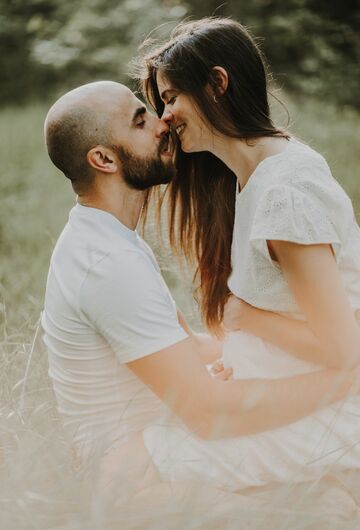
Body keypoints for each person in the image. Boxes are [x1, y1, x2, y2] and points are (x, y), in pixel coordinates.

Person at [42, 80, 359, 494]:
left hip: (158, 446)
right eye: (141, 122)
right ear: (103, 159)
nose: (162, 124)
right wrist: (342, 381)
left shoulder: (107, 237)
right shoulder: (108, 263)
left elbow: (188, 346)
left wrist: (248, 346)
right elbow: (208, 413)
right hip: (137, 471)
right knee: (343, 438)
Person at [136, 17, 360, 488]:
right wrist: (239, 352)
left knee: (141, 469)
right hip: (288, 399)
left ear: (218, 83)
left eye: (172, 96)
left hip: (330, 417)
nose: (165, 116)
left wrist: (250, 322)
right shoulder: (251, 178)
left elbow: (347, 352)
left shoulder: (286, 194)